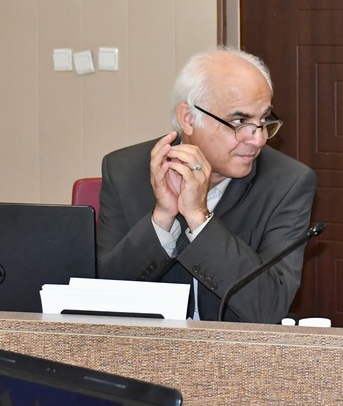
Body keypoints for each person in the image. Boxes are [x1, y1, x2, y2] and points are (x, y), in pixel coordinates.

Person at [97, 47, 317, 323]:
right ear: (188, 119)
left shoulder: (287, 183)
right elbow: (100, 294)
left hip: (235, 346)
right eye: (240, 121)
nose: (258, 139)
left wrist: (199, 217)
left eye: (263, 121)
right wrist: (161, 219)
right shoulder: (124, 171)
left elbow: (269, 308)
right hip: (148, 342)